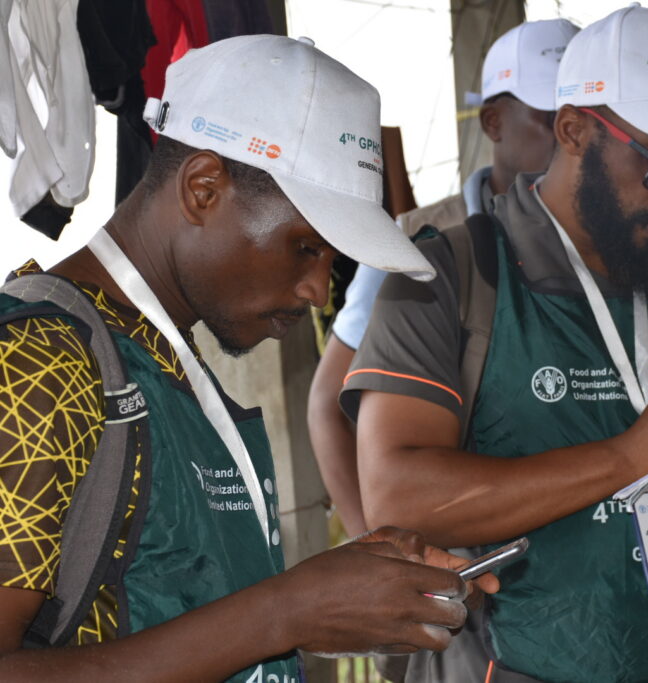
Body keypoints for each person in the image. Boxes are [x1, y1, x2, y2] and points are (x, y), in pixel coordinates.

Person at [0, 35, 497, 683]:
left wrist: (337, 590)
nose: (318, 291)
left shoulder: (159, 353)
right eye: (305, 247)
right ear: (203, 189)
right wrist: (286, 611)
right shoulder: (37, 359)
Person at [342, 6, 648, 682]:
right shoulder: (449, 274)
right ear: (574, 129)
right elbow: (396, 494)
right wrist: (627, 457)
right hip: (524, 665)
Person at [307, 18, 579, 538]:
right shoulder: (415, 240)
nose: (571, 140)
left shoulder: (606, 238)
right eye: (552, 119)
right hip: (466, 545)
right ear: (494, 122)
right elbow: (327, 404)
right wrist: (380, 550)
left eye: (586, 121)